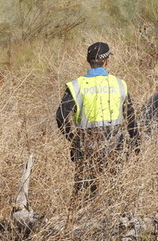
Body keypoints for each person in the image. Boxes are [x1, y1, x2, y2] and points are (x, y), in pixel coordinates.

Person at [55, 42, 138, 196]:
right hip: (115, 144)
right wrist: (136, 143)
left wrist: (73, 139)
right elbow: (130, 117)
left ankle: (81, 218)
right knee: (114, 190)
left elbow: (60, 116)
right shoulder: (119, 84)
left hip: (86, 144)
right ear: (107, 61)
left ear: (88, 60)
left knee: (84, 192)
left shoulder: (76, 85)